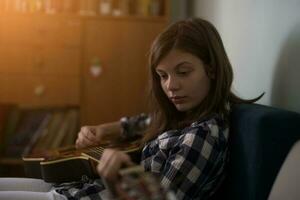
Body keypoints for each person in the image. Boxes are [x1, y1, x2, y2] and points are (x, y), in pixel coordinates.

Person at [0, 18, 262, 200]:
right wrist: (103, 129)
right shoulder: (184, 116)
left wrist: (125, 174)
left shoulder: (202, 136)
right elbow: (145, 121)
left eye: (183, 72)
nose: (171, 86)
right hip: (77, 189)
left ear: (212, 69)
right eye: (162, 75)